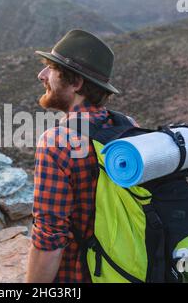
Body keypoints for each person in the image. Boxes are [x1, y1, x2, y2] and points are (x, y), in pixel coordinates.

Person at [25, 29, 137, 283]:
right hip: (122, 270)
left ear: (75, 83)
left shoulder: (57, 143)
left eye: (50, 69)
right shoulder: (128, 125)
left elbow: (49, 240)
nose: (41, 75)